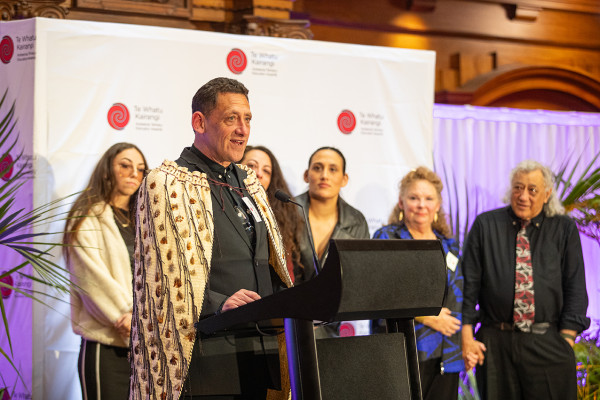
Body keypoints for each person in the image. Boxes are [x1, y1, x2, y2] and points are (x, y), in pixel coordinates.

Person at [129, 77, 293, 400]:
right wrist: (221, 305)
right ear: (199, 122)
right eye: (231, 118)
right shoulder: (166, 182)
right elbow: (159, 278)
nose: (243, 130)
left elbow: (268, 263)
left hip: (261, 356)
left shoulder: (249, 182)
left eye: (247, 119)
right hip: (206, 359)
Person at [461, 160, 590, 400]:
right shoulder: (485, 225)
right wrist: (467, 338)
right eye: (518, 187)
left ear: (547, 194)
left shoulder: (563, 228)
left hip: (548, 342)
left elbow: (575, 287)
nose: (523, 196)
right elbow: (468, 285)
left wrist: (566, 340)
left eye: (532, 190)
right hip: (496, 344)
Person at [372, 166, 465, 400]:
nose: (421, 204)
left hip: (447, 354)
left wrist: (466, 340)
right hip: (402, 349)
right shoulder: (387, 238)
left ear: (438, 204)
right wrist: (427, 317)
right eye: (413, 198)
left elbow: (460, 296)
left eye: (428, 198)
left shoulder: (450, 245)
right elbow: (377, 292)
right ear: (401, 203)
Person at [64, 142, 147, 400]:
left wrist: (144, 320)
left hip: (145, 345)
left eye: (140, 169)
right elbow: (90, 279)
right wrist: (126, 314)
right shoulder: (87, 216)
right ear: (107, 170)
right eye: (125, 165)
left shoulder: (146, 220)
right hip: (106, 343)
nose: (134, 173)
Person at [295, 146, 369, 283]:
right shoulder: (287, 211)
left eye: (333, 169)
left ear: (344, 179)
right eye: (317, 168)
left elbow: (360, 276)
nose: (324, 176)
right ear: (306, 175)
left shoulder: (357, 221)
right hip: (286, 301)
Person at [241, 145, 303, 282]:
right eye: (251, 165)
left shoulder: (279, 219)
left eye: (266, 171)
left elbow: (287, 276)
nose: (259, 174)